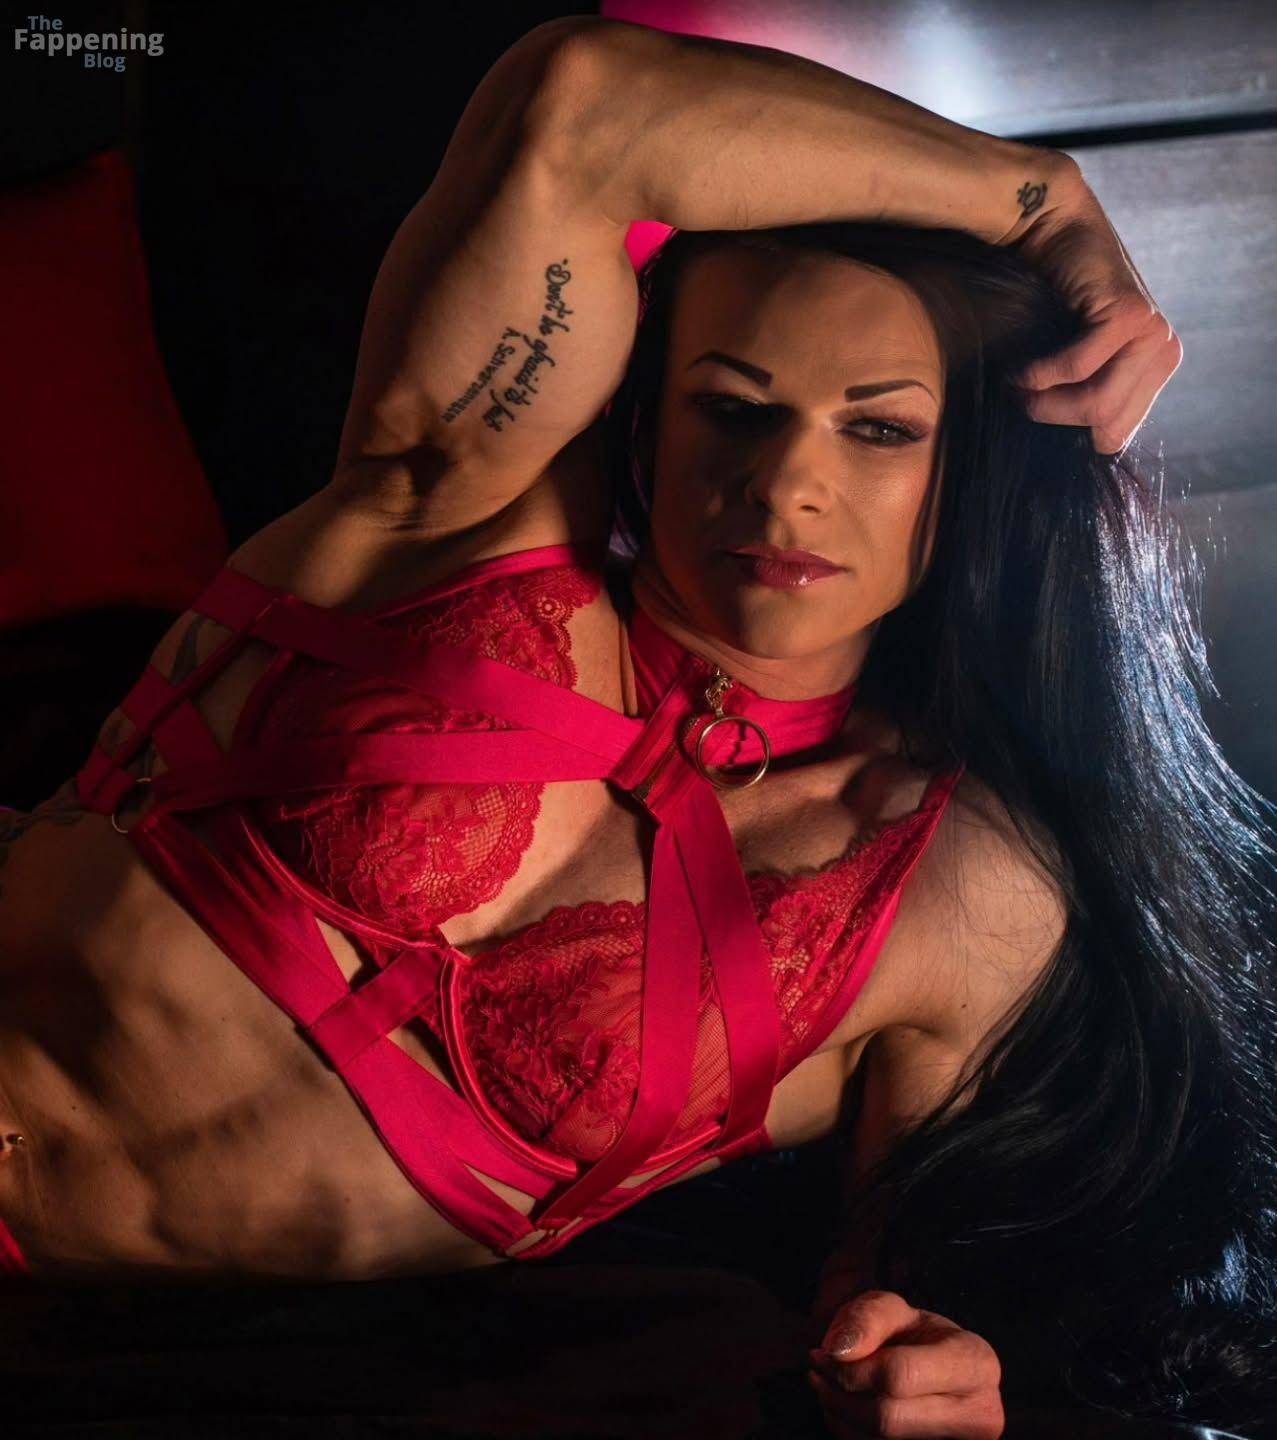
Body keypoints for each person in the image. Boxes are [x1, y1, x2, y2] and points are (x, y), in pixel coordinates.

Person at [1, 15, 1273, 1437]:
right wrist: (1039, 202)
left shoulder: (960, 892)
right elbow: (583, 102)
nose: (783, 486)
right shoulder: (452, 523)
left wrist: (930, 1360)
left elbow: (901, 1295)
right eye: (732, 407)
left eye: (877, 429)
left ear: (974, 467)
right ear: (646, 424)